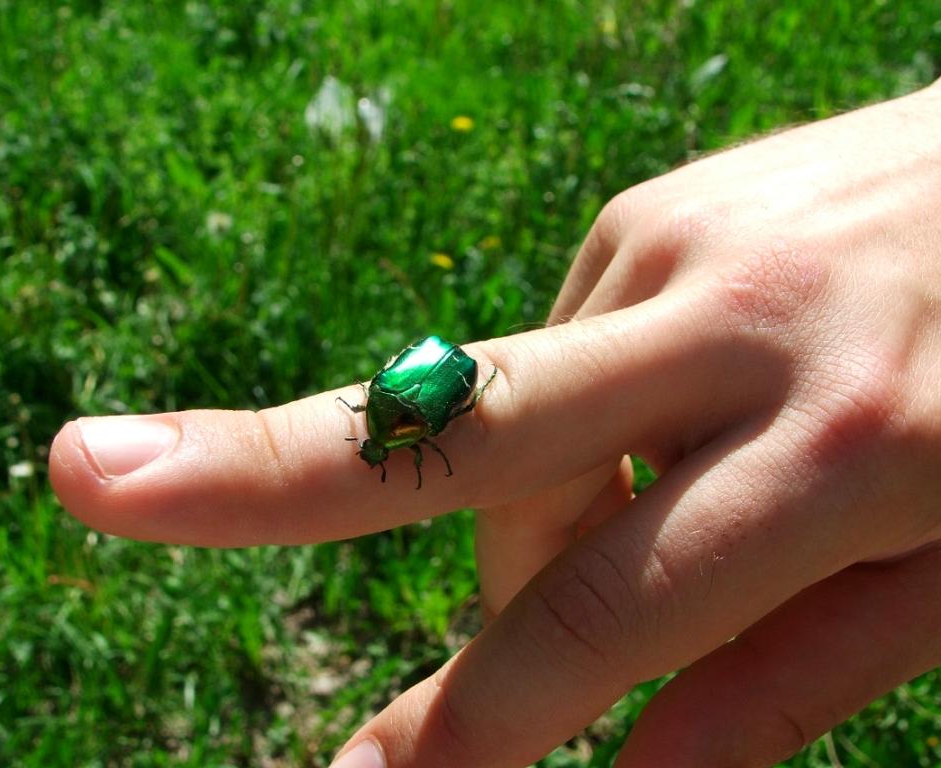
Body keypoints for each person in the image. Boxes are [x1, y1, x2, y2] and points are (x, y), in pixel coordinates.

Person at [50, 78, 941, 767]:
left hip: (437, 380)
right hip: (429, 381)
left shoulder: (398, 420)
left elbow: (428, 395)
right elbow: (401, 400)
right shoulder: (392, 421)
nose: (378, 440)